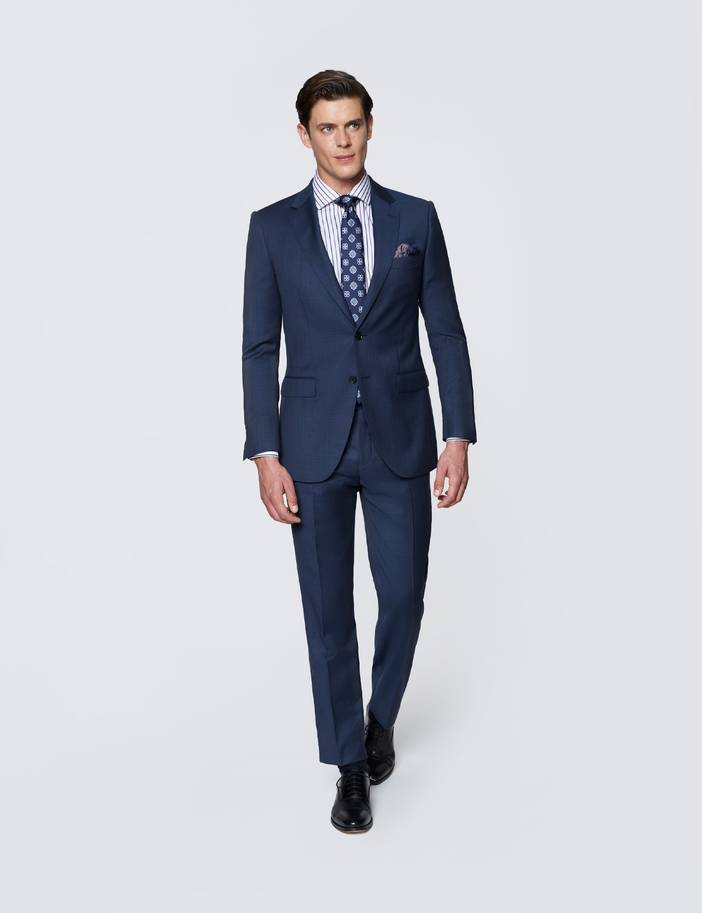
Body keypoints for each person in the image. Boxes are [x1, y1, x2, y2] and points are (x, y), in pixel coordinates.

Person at [242, 70, 477, 834]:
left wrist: (458, 433)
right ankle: (348, 763)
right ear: (304, 134)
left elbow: (446, 330)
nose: (342, 140)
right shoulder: (272, 229)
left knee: (403, 596)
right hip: (310, 447)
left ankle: (381, 717)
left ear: (370, 126)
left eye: (353, 124)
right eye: (327, 127)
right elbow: (259, 347)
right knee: (328, 611)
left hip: (400, 440)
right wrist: (265, 451)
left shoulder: (416, 218)